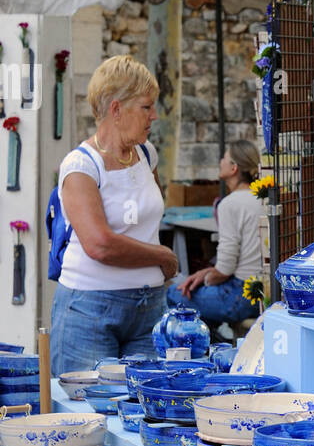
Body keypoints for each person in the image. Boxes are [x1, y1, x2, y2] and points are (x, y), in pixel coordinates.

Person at [51, 56, 178, 374]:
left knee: (144, 411)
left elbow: (146, 220)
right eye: (146, 107)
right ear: (116, 109)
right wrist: (162, 255)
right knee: (86, 415)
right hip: (90, 309)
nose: (155, 116)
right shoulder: (80, 165)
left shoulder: (147, 154)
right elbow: (100, 245)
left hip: (149, 307)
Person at [167, 140, 263, 329]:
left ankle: (197, 351)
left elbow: (225, 269)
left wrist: (206, 279)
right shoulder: (263, 198)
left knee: (172, 293)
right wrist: (205, 273)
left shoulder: (230, 204)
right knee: (200, 302)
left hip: (239, 296)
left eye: (225, 158)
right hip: (264, 293)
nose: (221, 161)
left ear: (234, 168)